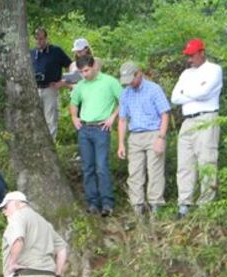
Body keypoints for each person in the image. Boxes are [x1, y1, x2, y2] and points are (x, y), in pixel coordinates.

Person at [170, 38, 223, 218]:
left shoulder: (214, 70)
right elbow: (175, 97)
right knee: (184, 162)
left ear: (201, 53)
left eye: (192, 55)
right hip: (188, 120)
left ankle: (205, 204)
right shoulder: (186, 74)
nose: (189, 59)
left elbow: (204, 93)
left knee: (206, 160)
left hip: (207, 118)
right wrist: (193, 93)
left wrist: (188, 92)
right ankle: (184, 204)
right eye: (188, 56)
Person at [0, 191, 67, 277]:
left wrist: (12, 263)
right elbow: (62, 248)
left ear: (19, 204)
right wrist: (58, 273)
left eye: (6, 207)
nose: (4, 211)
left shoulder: (18, 216)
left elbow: (18, 239)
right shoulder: (45, 223)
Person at [68, 55, 121, 216]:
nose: (84, 74)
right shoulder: (81, 86)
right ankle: (92, 203)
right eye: (81, 72)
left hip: (101, 129)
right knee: (87, 167)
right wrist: (74, 117)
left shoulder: (109, 81)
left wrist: (112, 117)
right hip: (84, 129)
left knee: (101, 167)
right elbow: (73, 103)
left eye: (86, 70)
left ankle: (107, 203)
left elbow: (124, 100)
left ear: (94, 67)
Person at [117, 62, 171, 217]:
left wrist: (161, 137)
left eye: (131, 79)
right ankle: (137, 208)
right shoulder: (126, 93)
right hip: (134, 136)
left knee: (154, 171)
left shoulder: (154, 89)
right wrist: (121, 143)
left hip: (154, 133)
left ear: (139, 74)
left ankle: (155, 207)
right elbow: (122, 120)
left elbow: (165, 114)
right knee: (134, 173)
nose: (129, 83)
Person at [30, 27, 72, 138]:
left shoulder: (56, 51)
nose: (39, 41)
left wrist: (64, 81)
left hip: (50, 87)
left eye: (41, 38)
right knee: (35, 118)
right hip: (35, 89)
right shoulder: (31, 53)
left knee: (50, 118)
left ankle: (51, 144)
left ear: (46, 38)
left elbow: (70, 66)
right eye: (37, 39)